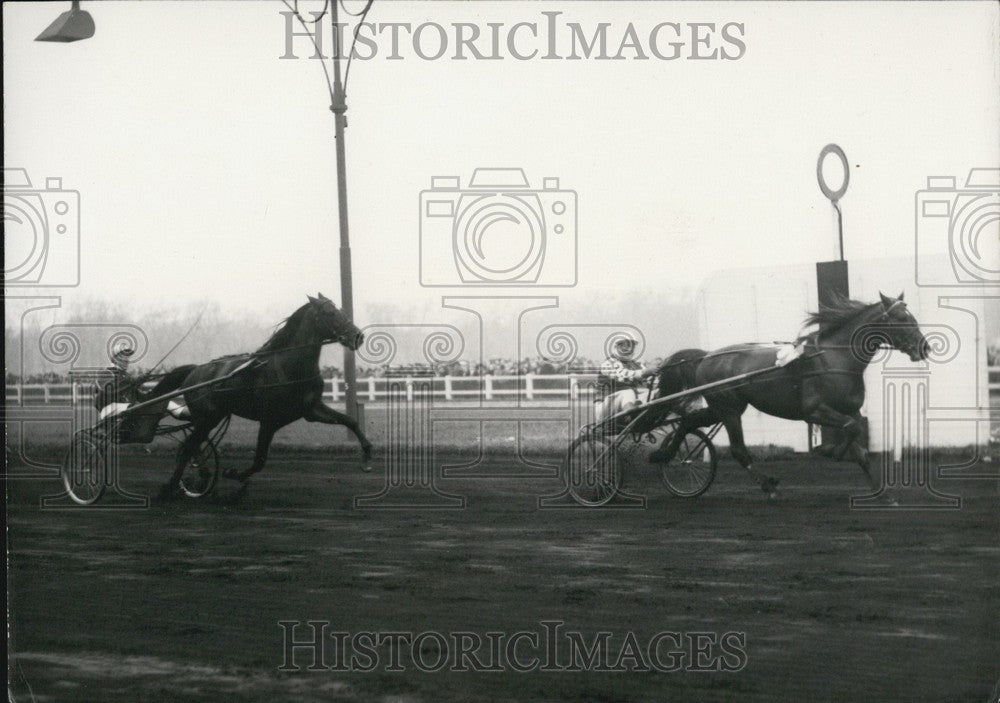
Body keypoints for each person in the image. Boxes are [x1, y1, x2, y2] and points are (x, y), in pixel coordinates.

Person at [593, 334, 658, 425]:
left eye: (631, 346)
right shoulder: (608, 364)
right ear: (617, 346)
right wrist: (644, 373)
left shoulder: (636, 365)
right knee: (627, 392)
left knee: (652, 392)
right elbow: (622, 376)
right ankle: (633, 417)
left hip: (627, 405)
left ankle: (646, 416)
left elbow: (650, 381)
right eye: (624, 345)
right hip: (604, 409)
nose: (628, 349)